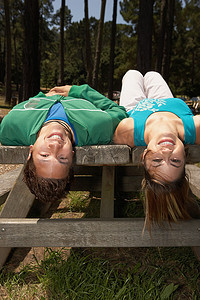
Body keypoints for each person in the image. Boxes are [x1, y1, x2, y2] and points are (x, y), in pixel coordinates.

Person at [0, 84, 128, 202]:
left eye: (44, 155)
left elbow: (24, 106)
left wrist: (42, 97)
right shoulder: (98, 126)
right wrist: (78, 91)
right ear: (72, 155)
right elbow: (120, 112)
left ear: (31, 151)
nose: (55, 146)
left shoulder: (11, 126)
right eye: (62, 158)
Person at [113, 70, 200, 230]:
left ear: (144, 155)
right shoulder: (194, 129)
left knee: (132, 74)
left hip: (136, 108)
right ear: (184, 156)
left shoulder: (127, 131)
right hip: (169, 102)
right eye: (175, 161)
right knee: (153, 75)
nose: (166, 152)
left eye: (157, 160)